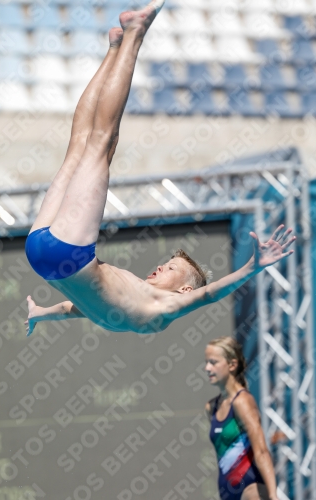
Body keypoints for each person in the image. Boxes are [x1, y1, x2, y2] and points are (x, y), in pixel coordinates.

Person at [24, 0, 296, 336]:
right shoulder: (133, 294)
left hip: (66, 252)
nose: (159, 267)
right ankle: (114, 49)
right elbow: (71, 308)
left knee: (100, 140)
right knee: (81, 145)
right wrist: (41, 313)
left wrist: (252, 268)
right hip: (43, 253)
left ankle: (136, 33)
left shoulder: (164, 306)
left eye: (170, 268)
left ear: (184, 290)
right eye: (165, 263)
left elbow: (210, 293)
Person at [205, 337, 279, 500]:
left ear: (232, 365)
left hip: (251, 490)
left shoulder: (243, 402)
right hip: (227, 491)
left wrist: (273, 496)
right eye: (206, 362)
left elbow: (261, 451)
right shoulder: (211, 407)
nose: (207, 368)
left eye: (213, 362)